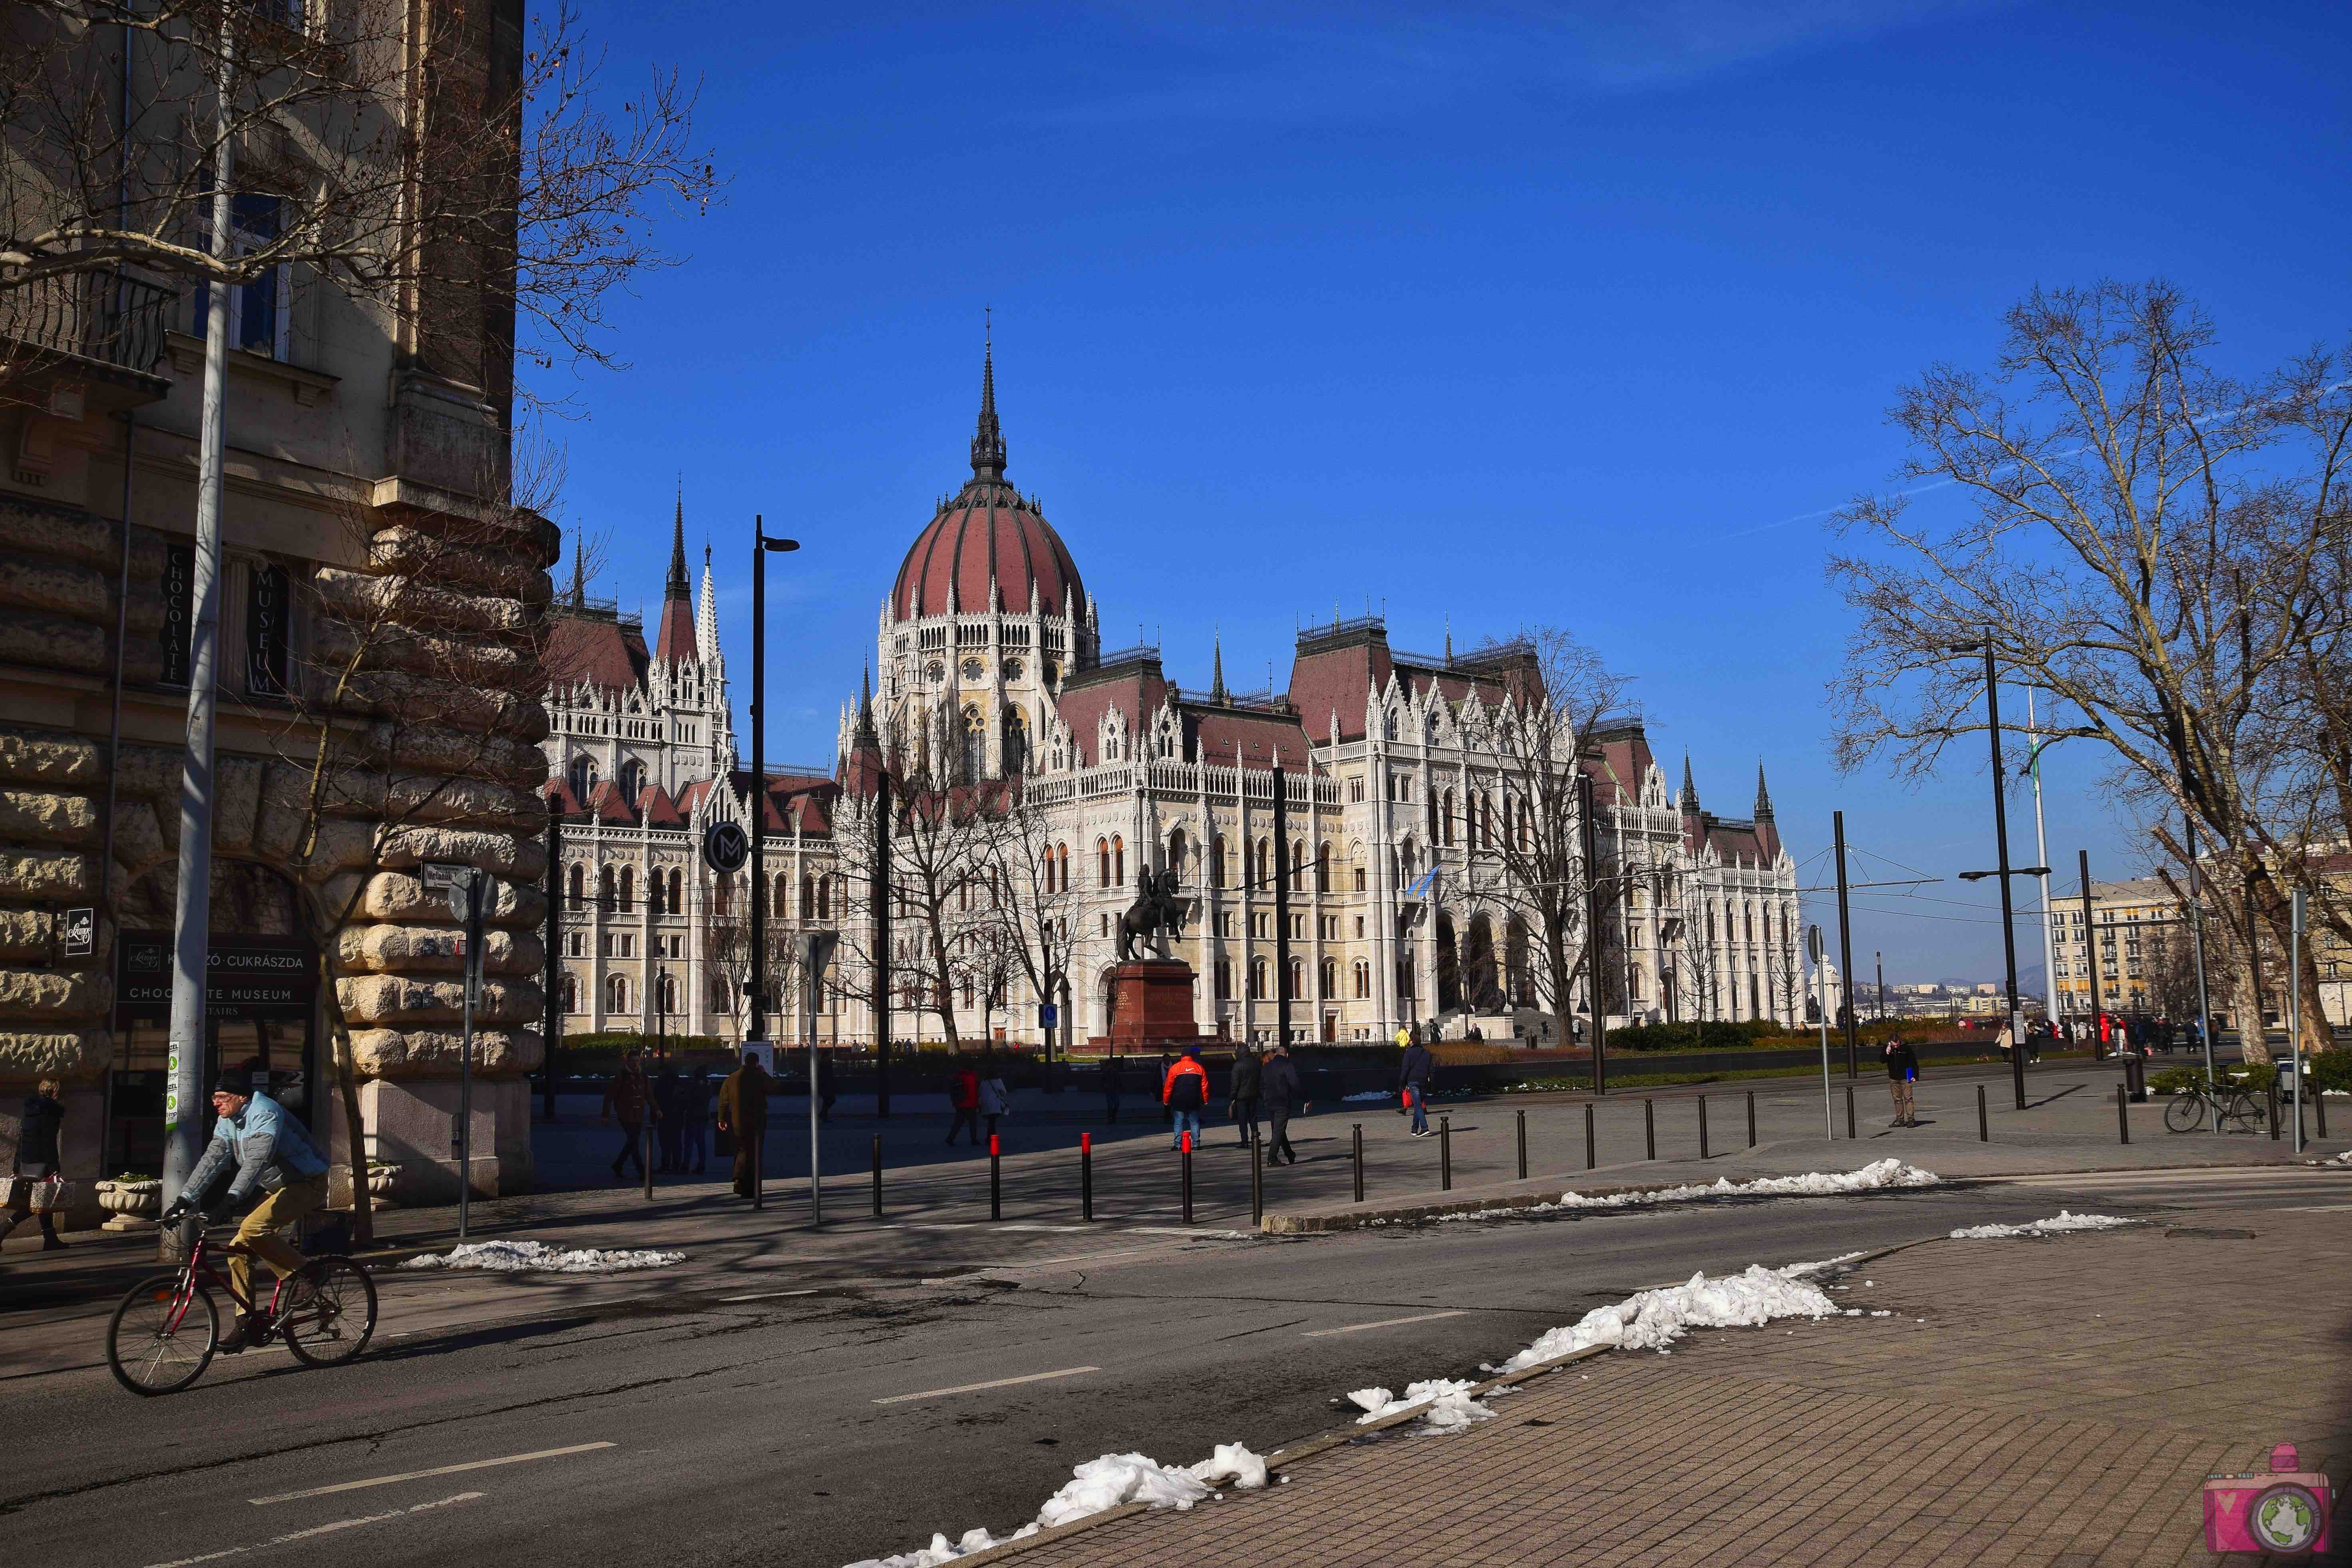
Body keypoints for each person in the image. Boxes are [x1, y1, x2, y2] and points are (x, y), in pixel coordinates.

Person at [160, 1070, 330, 1352]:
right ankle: (246, 1322)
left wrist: (231, 1200)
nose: (216, 1103)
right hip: (281, 1184)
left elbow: (256, 1162)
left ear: (243, 1097)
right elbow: (212, 1160)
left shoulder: (265, 1113)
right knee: (238, 1251)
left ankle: (308, 1273)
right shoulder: (229, 1119)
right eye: (214, 1098)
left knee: (254, 1229)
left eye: (222, 1098)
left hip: (306, 1181)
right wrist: (184, 1200)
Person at [0, 1078, 68, 1253]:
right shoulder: (50, 1112)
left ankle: (50, 1239)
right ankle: (3, 1229)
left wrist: (17, 1167)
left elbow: (22, 1140)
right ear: (55, 1091)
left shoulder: (30, 1111)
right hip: (43, 1163)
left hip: (28, 1162)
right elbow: (48, 1143)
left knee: (42, 1200)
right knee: (37, 1202)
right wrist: (54, 1168)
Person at [716, 1051, 770, 1199]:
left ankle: (741, 1180)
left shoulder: (732, 1078)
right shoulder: (759, 1077)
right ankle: (747, 1184)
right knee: (754, 1154)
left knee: (742, 1150)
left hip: (737, 1122)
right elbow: (775, 1087)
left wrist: (721, 1119)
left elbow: (723, 1101)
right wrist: (764, 1073)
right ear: (757, 1063)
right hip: (757, 1121)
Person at [601, 1050, 657, 1182]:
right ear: (628, 1062)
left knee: (633, 1142)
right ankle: (641, 1171)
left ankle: (618, 1165)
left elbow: (649, 1095)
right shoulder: (621, 1076)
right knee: (633, 1141)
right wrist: (605, 1115)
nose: (635, 1063)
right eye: (633, 1061)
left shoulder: (643, 1076)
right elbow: (609, 1096)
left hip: (638, 1114)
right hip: (625, 1114)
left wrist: (656, 1109)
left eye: (637, 1061)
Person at [1260, 1045, 1302, 1165]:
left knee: (1279, 1129)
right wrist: (1304, 1099)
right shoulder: (1287, 1066)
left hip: (1269, 1103)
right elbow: (1295, 1084)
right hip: (1282, 1102)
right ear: (1287, 1055)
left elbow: (1261, 1085)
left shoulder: (1266, 1067)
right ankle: (1272, 1158)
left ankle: (1290, 1154)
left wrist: (1265, 1096)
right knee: (1278, 1130)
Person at [1162, 1045, 1209, 1150]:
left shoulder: (1175, 1068)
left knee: (1178, 1122)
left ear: (1182, 1056)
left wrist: (1166, 1101)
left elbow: (1168, 1087)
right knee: (1194, 1122)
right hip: (1194, 1100)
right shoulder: (1199, 1068)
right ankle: (1196, 1144)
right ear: (1192, 1056)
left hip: (1178, 1100)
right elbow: (1205, 1086)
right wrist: (1205, 1100)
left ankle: (1178, 1145)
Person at [1399, 1032, 1435, 1136]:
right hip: (1423, 1081)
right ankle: (1414, 1129)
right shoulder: (1427, 1053)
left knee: (1417, 1105)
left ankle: (1425, 1128)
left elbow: (1405, 1069)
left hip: (1413, 1081)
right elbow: (1431, 1069)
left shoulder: (1409, 1053)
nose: (1409, 1042)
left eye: (1410, 1041)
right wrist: (1432, 1082)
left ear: (1413, 1042)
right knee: (1418, 1103)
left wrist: (1402, 1081)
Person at [653, 1062, 685, 1174]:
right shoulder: (679, 1082)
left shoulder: (660, 1084)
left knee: (665, 1144)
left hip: (665, 1116)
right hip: (678, 1117)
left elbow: (655, 1102)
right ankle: (676, 1165)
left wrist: (654, 1120)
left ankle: (665, 1165)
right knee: (677, 1142)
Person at [680, 1069, 713, 1175]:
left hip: (693, 1116)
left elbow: (688, 1100)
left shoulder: (694, 1086)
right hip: (703, 1116)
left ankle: (685, 1166)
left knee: (689, 1142)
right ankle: (701, 1165)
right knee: (701, 1142)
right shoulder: (708, 1086)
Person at [1882, 1034, 1920, 1127]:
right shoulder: (1887, 1048)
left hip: (1906, 1076)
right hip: (1893, 1078)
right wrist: (1886, 1053)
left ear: (1900, 1041)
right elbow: (1882, 1060)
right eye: (1893, 1045)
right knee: (1897, 1099)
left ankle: (1911, 1119)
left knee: (1908, 1098)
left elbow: (1914, 1062)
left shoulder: (1906, 1048)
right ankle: (1900, 1119)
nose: (1896, 1047)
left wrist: (1915, 1076)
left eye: (1897, 1045)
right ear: (1890, 1042)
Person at [1228, 1043, 1262, 1147]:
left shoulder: (1238, 1066)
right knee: (1253, 1118)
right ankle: (1255, 1139)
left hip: (1241, 1097)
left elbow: (1235, 1084)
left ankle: (1245, 1141)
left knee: (1242, 1120)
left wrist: (1232, 1097)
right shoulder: (1256, 1063)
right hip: (1254, 1095)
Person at [946, 1057, 983, 1146]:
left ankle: (950, 1138)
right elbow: (976, 1091)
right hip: (971, 1104)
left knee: (958, 1123)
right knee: (973, 1123)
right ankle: (974, 1140)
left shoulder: (959, 1077)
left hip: (961, 1104)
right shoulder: (973, 1077)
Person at [978, 1058, 1010, 1142]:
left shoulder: (983, 1082)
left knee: (991, 1122)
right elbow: (1004, 1092)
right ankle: (991, 1139)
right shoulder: (997, 1080)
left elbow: (980, 1092)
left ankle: (989, 1138)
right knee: (993, 1122)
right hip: (995, 1104)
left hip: (985, 1104)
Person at [817, 1053, 840, 1121]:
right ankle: (823, 1114)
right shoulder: (825, 1064)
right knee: (831, 1100)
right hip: (826, 1085)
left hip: (824, 1085)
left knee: (827, 1100)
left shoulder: (823, 1064)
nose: (831, 1057)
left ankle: (824, 1115)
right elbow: (828, 1075)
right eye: (829, 1056)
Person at [1102, 1055, 1124, 1123]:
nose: (1111, 1067)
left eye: (1111, 1066)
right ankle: (1111, 1118)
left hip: (1115, 1090)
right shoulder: (1106, 1073)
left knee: (1116, 1104)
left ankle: (1113, 1117)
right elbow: (1103, 1081)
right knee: (1111, 1105)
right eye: (1110, 1066)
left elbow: (1119, 1081)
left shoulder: (1115, 1072)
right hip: (1110, 1091)